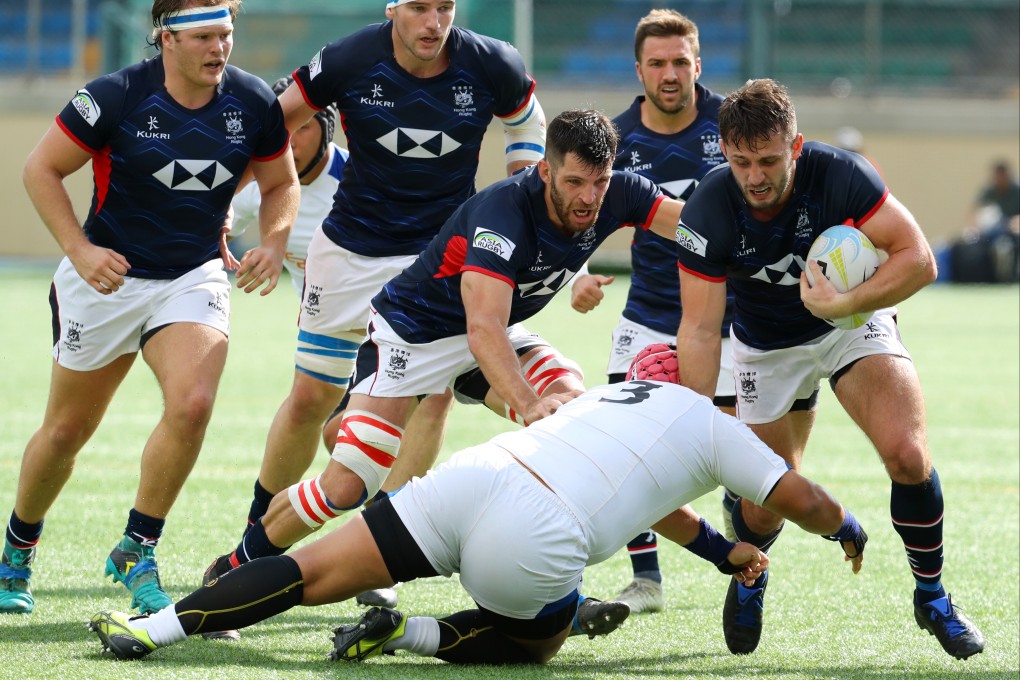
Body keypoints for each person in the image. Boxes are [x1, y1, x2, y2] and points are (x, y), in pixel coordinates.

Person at [199, 108, 685, 632]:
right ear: (545, 170)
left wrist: (746, 225)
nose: (589, 197)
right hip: (415, 335)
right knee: (347, 484)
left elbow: (698, 229)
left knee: (570, 407)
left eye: (599, 181)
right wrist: (526, 402)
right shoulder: (504, 214)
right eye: (574, 182)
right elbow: (482, 329)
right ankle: (233, 567)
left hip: (488, 332)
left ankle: (564, 595)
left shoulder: (620, 193)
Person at [88, 375, 869, 664]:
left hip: (473, 477)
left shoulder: (621, 394)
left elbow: (653, 498)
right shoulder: (723, 430)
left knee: (308, 572)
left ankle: (152, 630)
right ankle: (408, 634)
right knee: (539, 641)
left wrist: (721, 553)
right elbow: (803, 501)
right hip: (535, 537)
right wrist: (846, 528)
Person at [232, 1, 550, 598]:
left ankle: (378, 550)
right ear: (392, 8)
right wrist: (243, 210)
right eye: (419, 7)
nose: (433, 22)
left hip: (440, 256)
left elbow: (528, 123)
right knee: (311, 400)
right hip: (349, 254)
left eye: (444, 7)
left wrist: (519, 188)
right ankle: (257, 532)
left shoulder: (493, 63)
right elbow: (273, 127)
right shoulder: (349, 58)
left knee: (431, 399)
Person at [0, 0, 300, 616]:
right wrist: (80, 251)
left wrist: (273, 241)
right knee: (66, 432)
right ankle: (16, 550)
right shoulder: (113, 96)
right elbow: (40, 170)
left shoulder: (253, 102)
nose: (220, 48)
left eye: (226, 34)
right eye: (205, 37)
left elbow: (281, 183)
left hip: (192, 274)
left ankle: (137, 549)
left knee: (192, 405)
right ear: (166, 38)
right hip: (105, 279)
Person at [673, 78, 984, 660]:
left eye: (769, 160)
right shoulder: (709, 208)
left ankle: (932, 596)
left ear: (796, 147)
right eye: (741, 162)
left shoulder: (840, 174)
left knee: (908, 455)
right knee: (764, 504)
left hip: (849, 325)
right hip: (766, 346)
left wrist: (845, 303)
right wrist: (694, 415)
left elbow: (918, 258)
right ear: (725, 154)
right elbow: (699, 329)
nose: (754, 177)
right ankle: (752, 573)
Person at [568, 8, 732, 615]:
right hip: (649, 311)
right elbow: (572, 212)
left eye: (680, 62)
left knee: (735, 451)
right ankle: (646, 580)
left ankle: (741, 524)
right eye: (657, 63)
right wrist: (579, 274)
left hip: (732, 318)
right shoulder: (615, 141)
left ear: (698, 64)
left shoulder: (731, 126)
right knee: (622, 443)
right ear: (638, 69)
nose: (670, 74)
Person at [229, 75, 347, 297]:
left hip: (380, 307)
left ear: (327, 130)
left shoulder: (361, 179)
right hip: (314, 312)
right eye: (279, 127)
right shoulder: (254, 181)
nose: (288, 141)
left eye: (302, 126)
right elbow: (208, 241)